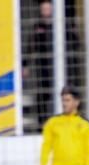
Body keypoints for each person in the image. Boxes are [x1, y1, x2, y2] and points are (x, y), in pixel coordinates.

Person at [22, 1, 54, 129]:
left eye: (47, 9)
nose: (45, 11)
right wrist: (25, 65)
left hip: (58, 66)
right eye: (43, 9)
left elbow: (73, 42)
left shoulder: (61, 25)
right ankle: (42, 124)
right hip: (43, 66)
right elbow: (30, 46)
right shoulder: (37, 27)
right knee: (42, 94)